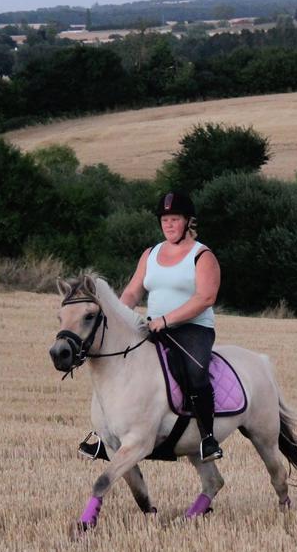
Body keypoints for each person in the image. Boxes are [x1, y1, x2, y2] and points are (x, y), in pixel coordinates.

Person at [83, 190, 224, 463]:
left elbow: (205, 298)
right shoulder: (151, 253)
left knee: (195, 372)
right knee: (116, 368)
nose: (168, 224)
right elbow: (133, 292)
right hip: (153, 326)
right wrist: (120, 315)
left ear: (188, 222)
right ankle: (103, 435)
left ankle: (208, 438)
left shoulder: (202, 255)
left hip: (192, 329)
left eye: (174, 219)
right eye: (164, 219)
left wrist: (167, 320)